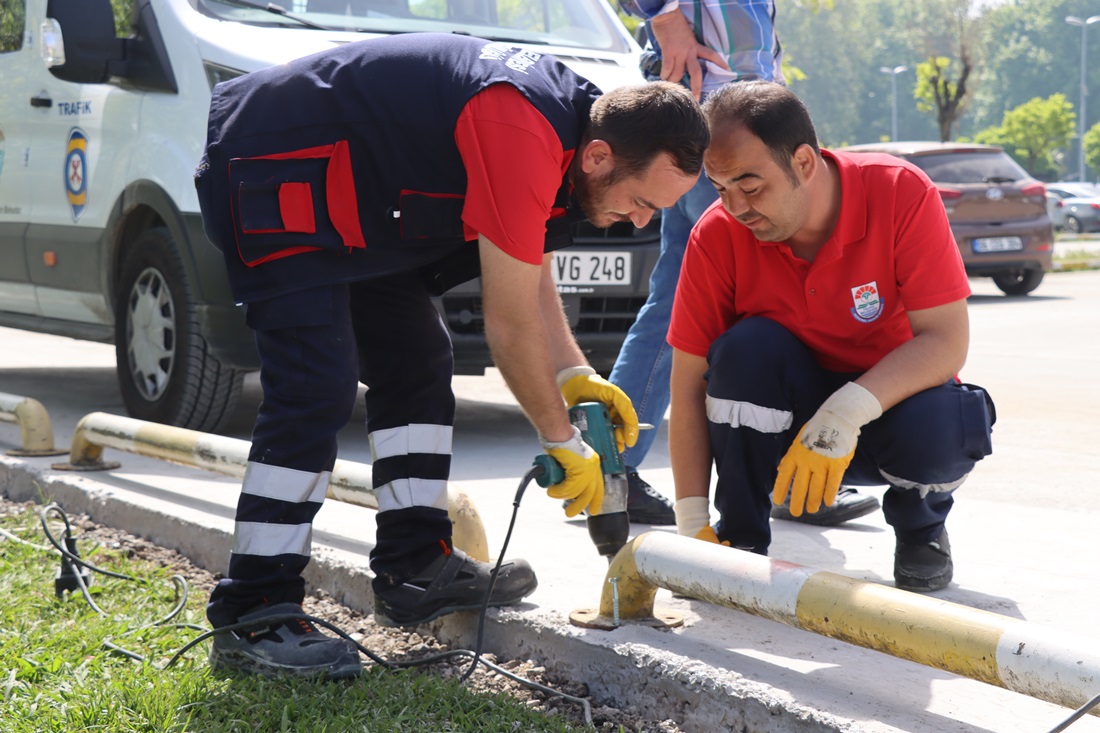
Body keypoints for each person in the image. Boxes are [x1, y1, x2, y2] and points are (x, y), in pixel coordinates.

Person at [193, 32, 710, 678]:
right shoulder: (522, 125)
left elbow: (531, 273)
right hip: (279, 164)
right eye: (641, 202)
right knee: (315, 385)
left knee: (419, 359)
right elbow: (510, 322)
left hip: (358, 197)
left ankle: (413, 564)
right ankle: (255, 608)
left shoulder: (583, 129)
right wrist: (562, 440)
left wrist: (575, 373)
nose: (640, 222)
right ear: (601, 158)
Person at [668, 81, 995, 592]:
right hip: (787, 432)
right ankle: (740, 539)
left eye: (750, 187)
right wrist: (690, 525)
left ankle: (921, 532)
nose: (735, 207)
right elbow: (687, 386)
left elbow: (946, 341)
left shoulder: (899, 192)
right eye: (720, 188)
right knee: (743, 352)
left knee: (947, 420)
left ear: (802, 162)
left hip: (886, 419)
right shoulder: (716, 234)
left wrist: (844, 413)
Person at [608, 0, 879, 526]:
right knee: (761, 296)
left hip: (722, 119)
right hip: (718, 122)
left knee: (676, 304)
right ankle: (788, 477)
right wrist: (663, 19)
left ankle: (612, 465)